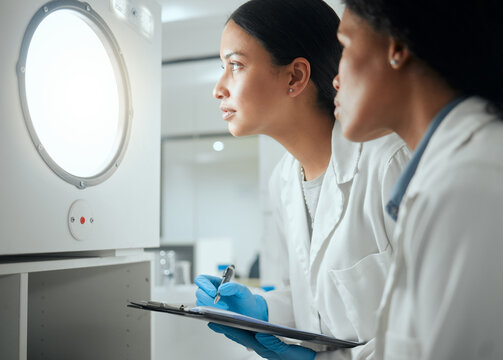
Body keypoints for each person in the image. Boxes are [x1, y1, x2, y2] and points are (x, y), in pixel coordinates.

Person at [193, 0, 410, 359]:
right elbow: (312, 300)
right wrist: (264, 311)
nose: (219, 88)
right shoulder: (283, 180)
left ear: (295, 77)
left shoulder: (388, 161)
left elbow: (441, 326)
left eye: (235, 65)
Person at [330, 0, 503, 358]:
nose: (335, 78)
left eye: (344, 46)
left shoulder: (468, 183)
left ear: (396, 47)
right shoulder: (447, 173)